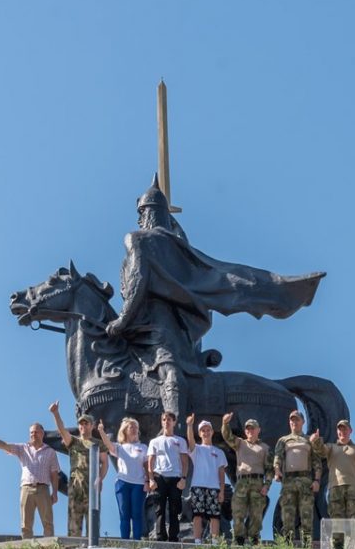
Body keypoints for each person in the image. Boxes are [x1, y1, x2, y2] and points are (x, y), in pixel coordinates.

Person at [105, 176, 326, 416]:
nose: (139, 220)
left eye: (141, 215)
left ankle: (176, 430)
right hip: (142, 333)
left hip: (161, 332)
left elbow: (138, 282)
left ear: (144, 214)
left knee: (170, 372)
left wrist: (121, 321)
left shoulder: (138, 240)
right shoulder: (175, 246)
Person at [0, 421, 59, 539]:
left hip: (43, 488)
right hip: (26, 488)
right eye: (31, 432)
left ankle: (49, 546)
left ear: (42, 433)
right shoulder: (23, 448)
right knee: (25, 524)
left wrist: (55, 492)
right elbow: (4, 445)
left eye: (36, 432)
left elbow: (54, 473)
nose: (33, 434)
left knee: (48, 522)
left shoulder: (50, 452)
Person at [50, 401, 108, 537]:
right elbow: (62, 430)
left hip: (92, 485)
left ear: (92, 426)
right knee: (74, 523)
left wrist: (100, 478)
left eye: (86, 423)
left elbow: (104, 463)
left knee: (92, 522)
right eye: (81, 424)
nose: (83, 426)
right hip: (76, 485)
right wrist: (55, 413)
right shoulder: (73, 441)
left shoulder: (98, 444)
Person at [311, 420, 355, 548]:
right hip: (335, 488)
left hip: (353, 488)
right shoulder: (331, 447)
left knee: (354, 518)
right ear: (337, 432)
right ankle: (338, 547)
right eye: (340, 429)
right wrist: (316, 440)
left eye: (345, 429)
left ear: (350, 431)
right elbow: (320, 450)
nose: (342, 431)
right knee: (337, 518)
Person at [221, 412, 272, 545]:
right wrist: (225, 423)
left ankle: (254, 538)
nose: (250, 430)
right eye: (248, 428)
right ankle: (239, 539)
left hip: (258, 482)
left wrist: (267, 485)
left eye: (252, 428)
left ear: (258, 430)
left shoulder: (265, 448)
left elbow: (269, 469)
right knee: (238, 511)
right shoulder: (240, 443)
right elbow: (227, 436)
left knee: (256, 514)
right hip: (242, 481)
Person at [273, 410, 322, 545]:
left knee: (306, 514)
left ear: (303, 422)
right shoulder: (283, 440)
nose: (294, 422)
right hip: (288, 481)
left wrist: (317, 480)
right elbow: (278, 457)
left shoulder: (308, 440)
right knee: (287, 514)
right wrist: (277, 471)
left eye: (297, 420)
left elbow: (316, 462)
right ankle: (288, 544)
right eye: (292, 420)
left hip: (305, 480)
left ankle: (306, 544)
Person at [98, 417, 147, 540]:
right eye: (132, 427)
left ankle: (137, 541)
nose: (135, 429)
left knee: (137, 514)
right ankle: (125, 541)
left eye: (136, 427)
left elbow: (147, 465)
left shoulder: (143, 447)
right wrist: (101, 431)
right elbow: (108, 444)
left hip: (139, 483)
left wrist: (148, 480)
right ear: (125, 430)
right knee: (124, 514)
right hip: (123, 483)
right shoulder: (119, 447)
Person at [145, 411, 190, 542]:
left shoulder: (180, 441)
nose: (166, 422)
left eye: (169, 419)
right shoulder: (154, 441)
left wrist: (184, 478)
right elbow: (150, 462)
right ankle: (160, 536)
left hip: (175, 477)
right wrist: (151, 479)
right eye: (164, 419)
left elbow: (185, 462)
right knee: (159, 509)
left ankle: (173, 536)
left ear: (174, 422)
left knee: (175, 509)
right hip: (160, 477)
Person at [184, 414, 227, 544]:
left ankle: (214, 542)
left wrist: (222, 491)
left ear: (212, 432)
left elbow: (221, 473)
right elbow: (190, 440)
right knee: (197, 515)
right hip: (198, 485)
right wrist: (190, 425)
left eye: (208, 430)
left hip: (214, 487)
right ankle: (198, 540)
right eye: (203, 430)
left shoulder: (219, 452)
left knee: (215, 516)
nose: (206, 432)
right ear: (200, 433)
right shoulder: (196, 449)